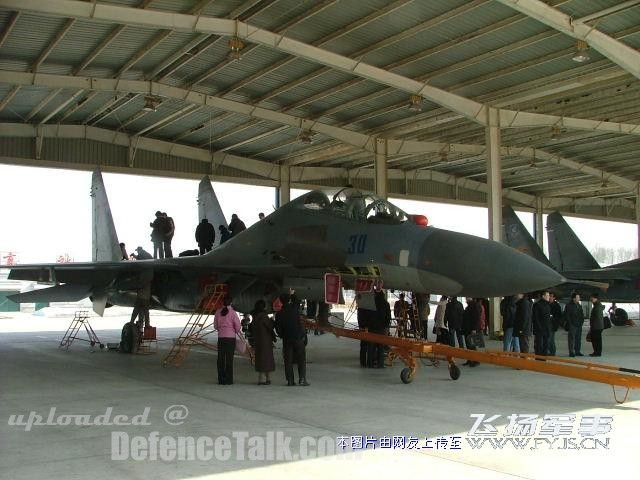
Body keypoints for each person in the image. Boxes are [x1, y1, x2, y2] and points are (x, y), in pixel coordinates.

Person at [276, 293, 309, 386]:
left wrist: (282, 335)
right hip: (298, 338)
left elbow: (278, 328)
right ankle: (302, 379)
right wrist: (293, 294)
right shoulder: (295, 309)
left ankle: (290, 381)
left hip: (287, 339)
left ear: (281, 301)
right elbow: (297, 301)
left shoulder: (279, 314)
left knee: (288, 360)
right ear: (289, 300)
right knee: (301, 359)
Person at [214, 296, 241, 385]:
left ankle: (221, 379)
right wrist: (234, 331)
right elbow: (237, 326)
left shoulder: (218, 312)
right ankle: (229, 380)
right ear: (231, 303)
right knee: (229, 359)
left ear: (222, 302)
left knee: (220, 359)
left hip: (221, 338)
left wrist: (222, 330)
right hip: (230, 339)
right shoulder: (233, 313)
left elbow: (216, 326)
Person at [250, 300, 275, 385]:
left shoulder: (254, 317)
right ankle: (265, 379)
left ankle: (264, 378)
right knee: (267, 359)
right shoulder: (264, 316)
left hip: (258, 340)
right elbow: (270, 326)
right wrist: (272, 320)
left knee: (260, 359)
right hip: (266, 340)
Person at [368, 290, 391, 368]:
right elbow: (388, 317)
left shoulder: (371, 304)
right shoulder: (386, 304)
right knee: (381, 347)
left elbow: (368, 315)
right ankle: (380, 364)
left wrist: (368, 325)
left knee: (371, 347)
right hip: (381, 329)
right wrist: (385, 326)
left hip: (372, 328)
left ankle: (370, 363)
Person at [462, 298, 482, 366]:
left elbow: (476, 318)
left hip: (472, 329)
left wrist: (474, 329)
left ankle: (476, 361)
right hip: (467, 329)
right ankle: (470, 360)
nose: (466, 298)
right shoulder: (469, 306)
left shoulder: (474, 306)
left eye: (467, 297)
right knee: (468, 346)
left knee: (472, 346)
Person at [564, 292, 584, 357]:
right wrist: (570, 324)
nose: (579, 298)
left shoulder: (579, 305)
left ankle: (577, 351)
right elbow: (567, 316)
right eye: (578, 297)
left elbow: (582, 315)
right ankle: (571, 352)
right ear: (574, 298)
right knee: (571, 339)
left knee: (578, 339)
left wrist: (581, 322)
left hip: (579, 325)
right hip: (572, 325)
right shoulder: (568, 306)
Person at [532, 291, 552, 356]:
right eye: (547, 295)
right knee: (539, 345)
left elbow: (548, 318)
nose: (549, 297)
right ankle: (538, 360)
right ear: (543, 296)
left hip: (547, 329)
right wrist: (540, 328)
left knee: (546, 345)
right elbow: (535, 318)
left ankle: (544, 359)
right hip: (539, 330)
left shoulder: (547, 305)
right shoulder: (537, 305)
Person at [589, 293, 605, 357]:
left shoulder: (597, 306)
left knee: (596, 340)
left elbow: (597, 317)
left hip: (596, 326)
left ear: (596, 298)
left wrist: (592, 326)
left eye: (592, 297)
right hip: (598, 326)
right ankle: (596, 352)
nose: (591, 299)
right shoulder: (597, 305)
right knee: (597, 340)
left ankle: (597, 353)